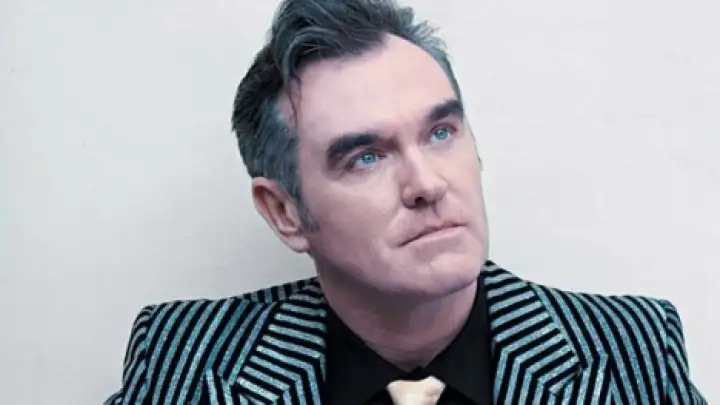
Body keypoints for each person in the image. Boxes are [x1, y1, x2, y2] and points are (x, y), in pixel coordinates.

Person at [106, 0, 706, 404]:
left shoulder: (631, 351)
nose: (427, 183)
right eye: (366, 157)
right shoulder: (187, 361)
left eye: (441, 133)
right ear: (285, 213)